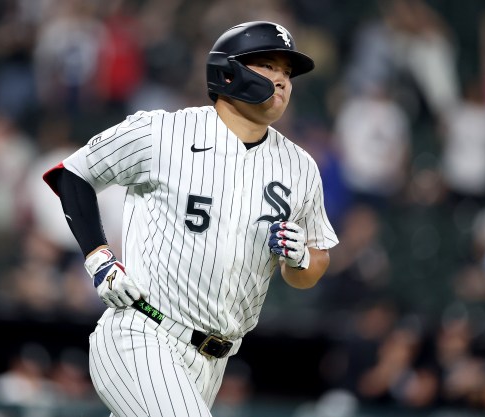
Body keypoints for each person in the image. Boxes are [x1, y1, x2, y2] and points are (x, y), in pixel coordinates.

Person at [42, 21, 338, 417]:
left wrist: (301, 259)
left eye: (287, 73)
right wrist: (99, 257)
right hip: (143, 332)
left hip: (214, 361)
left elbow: (312, 267)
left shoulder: (300, 167)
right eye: (269, 65)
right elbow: (74, 173)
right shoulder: (163, 132)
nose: (282, 80)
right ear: (228, 71)